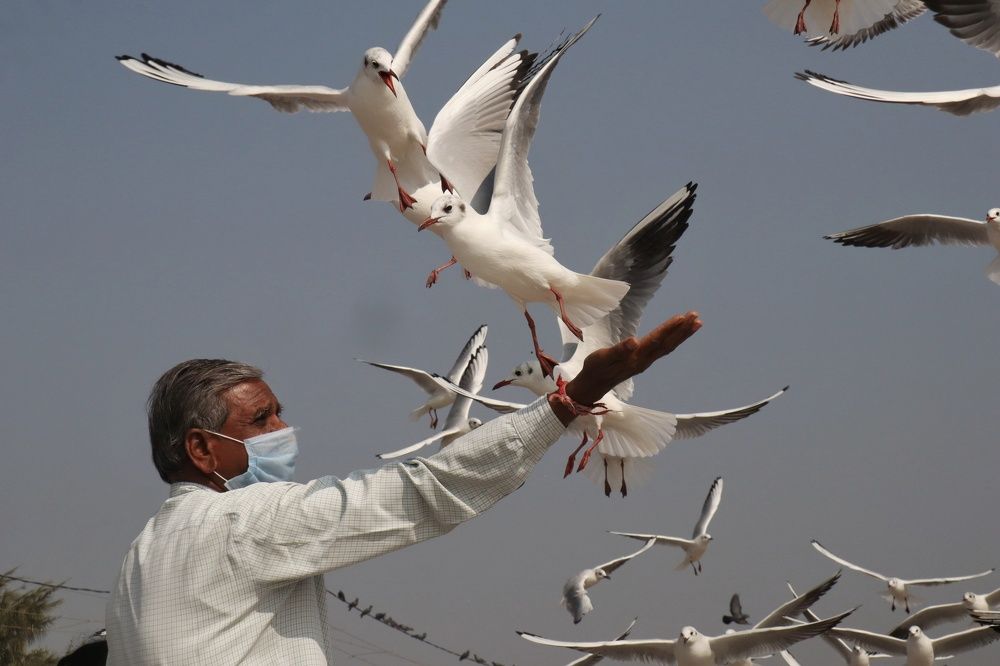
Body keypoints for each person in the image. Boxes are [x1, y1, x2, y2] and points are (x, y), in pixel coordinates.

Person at [105, 312, 702, 665]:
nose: (284, 430)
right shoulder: (245, 520)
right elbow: (426, 490)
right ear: (202, 448)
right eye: (262, 419)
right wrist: (566, 404)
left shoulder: (139, 558)